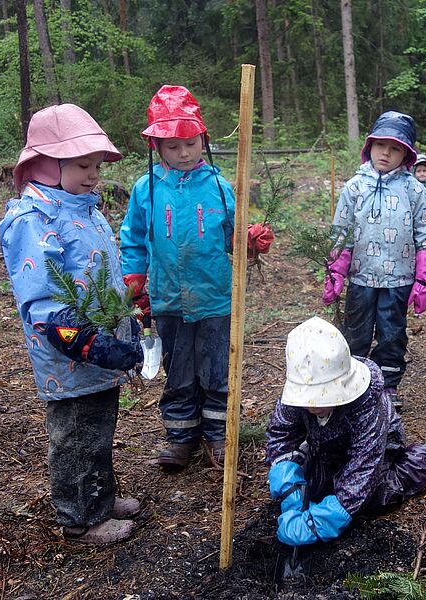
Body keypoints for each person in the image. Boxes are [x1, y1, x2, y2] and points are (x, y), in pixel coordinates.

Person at [0, 104, 143, 544]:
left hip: (100, 348)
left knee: (98, 428)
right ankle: (82, 519)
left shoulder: (86, 209)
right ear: (46, 163)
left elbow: (103, 273)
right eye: (83, 165)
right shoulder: (33, 220)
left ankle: (98, 495)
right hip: (70, 358)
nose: (94, 174)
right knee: (77, 434)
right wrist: (85, 343)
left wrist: (129, 316)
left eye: (96, 165)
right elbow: (41, 303)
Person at [120, 85, 273, 469]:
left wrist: (250, 240)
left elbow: (232, 239)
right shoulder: (146, 189)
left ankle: (219, 436)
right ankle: (180, 437)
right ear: (157, 147)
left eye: (189, 143)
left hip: (215, 297)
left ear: (202, 139)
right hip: (167, 297)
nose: (183, 153)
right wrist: (135, 282)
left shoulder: (220, 188)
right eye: (172, 146)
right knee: (179, 371)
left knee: (216, 369)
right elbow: (134, 238)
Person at [265, 317, 426, 546]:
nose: (313, 405)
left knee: (371, 498)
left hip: (379, 447)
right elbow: (281, 434)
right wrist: (289, 485)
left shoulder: (366, 403)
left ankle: (420, 457)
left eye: (321, 396)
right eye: (308, 398)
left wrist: (323, 520)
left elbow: (364, 465)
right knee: (314, 487)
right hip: (326, 445)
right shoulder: (299, 387)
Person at [322, 111, 426, 412]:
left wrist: (424, 279)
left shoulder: (415, 191)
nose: (386, 153)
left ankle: (388, 385)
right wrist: (336, 270)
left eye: (395, 147)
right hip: (361, 277)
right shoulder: (354, 188)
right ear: (369, 147)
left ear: (407, 154)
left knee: (392, 333)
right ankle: (356, 382)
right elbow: (341, 231)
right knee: (356, 332)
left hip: (399, 279)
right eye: (380, 145)